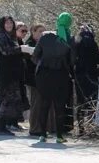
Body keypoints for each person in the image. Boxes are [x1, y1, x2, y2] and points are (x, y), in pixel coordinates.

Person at [33, 13, 76, 144]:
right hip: (61, 75)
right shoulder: (69, 40)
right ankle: (59, 135)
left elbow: (35, 55)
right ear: (69, 23)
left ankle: (42, 134)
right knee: (59, 105)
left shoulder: (46, 37)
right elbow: (72, 61)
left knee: (44, 103)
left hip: (44, 75)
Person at [0, 15, 28, 137]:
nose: (9, 25)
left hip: (12, 71)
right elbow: (6, 51)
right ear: (2, 25)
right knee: (4, 99)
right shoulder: (0, 36)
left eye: (11, 23)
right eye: (7, 23)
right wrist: (22, 49)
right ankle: (0, 126)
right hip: (5, 72)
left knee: (8, 99)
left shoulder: (11, 37)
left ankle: (2, 126)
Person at [73, 23, 99, 133]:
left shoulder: (77, 42)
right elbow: (97, 59)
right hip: (92, 75)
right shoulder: (93, 43)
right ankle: (89, 125)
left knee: (80, 100)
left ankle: (80, 127)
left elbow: (73, 58)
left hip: (80, 75)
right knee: (91, 100)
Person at [25, 24, 52, 137]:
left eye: (44, 32)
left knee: (43, 103)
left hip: (43, 78)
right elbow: (33, 60)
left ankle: (43, 127)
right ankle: (35, 128)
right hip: (33, 78)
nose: (42, 34)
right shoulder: (30, 44)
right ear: (33, 32)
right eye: (40, 31)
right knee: (36, 104)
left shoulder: (44, 44)